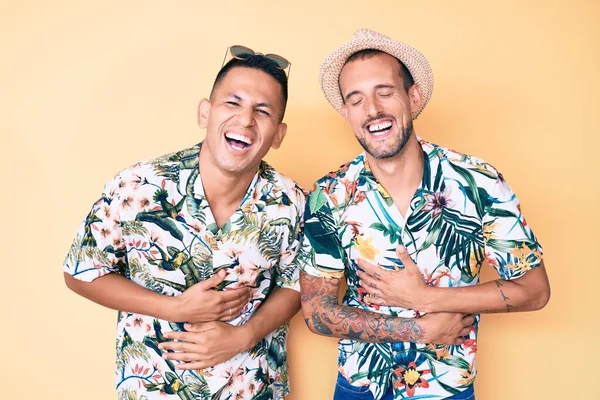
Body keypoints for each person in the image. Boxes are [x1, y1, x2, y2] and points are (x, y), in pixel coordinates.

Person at [298, 28, 550, 400]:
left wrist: (426, 298)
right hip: (360, 387)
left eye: (384, 92)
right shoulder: (329, 195)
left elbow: (534, 291)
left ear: (412, 97)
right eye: (356, 99)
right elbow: (317, 312)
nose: (373, 110)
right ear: (347, 113)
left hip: (447, 388)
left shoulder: (478, 182)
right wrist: (415, 330)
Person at [63, 47, 305, 399]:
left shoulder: (291, 201)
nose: (245, 120)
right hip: (154, 388)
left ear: (279, 134)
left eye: (262, 111)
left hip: (252, 388)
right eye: (232, 103)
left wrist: (245, 335)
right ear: (205, 112)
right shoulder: (137, 185)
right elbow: (80, 271)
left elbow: (297, 283)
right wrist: (175, 308)